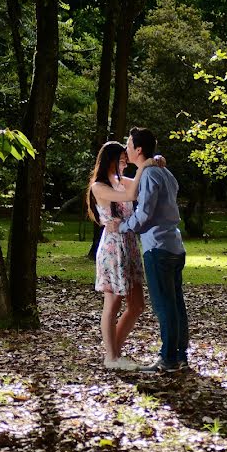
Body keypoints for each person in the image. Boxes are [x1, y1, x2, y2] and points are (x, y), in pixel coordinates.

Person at [106, 127, 188, 373]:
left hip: (158, 248)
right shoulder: (164, 172)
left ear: (138, 149)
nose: (126, 149)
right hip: (174, 245)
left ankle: (168, 359)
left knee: (165, 306)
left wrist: (122, 226)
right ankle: (179, 355)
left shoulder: (151, 175)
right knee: (175, 304)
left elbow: (144, 215)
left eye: (129, 144)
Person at [86, 141, 155, 370]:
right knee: (112, 302)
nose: (126, 163)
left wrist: (155, 162)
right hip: (112, 248)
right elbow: (132, 194)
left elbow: (139, 185)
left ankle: (113, 353)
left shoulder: (120, 181)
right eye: (123, 159)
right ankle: (112, 356)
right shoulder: (99, 186)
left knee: (136, 305)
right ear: (112, 160)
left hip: (129, 244)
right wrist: (146, 165)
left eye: (127, 159)